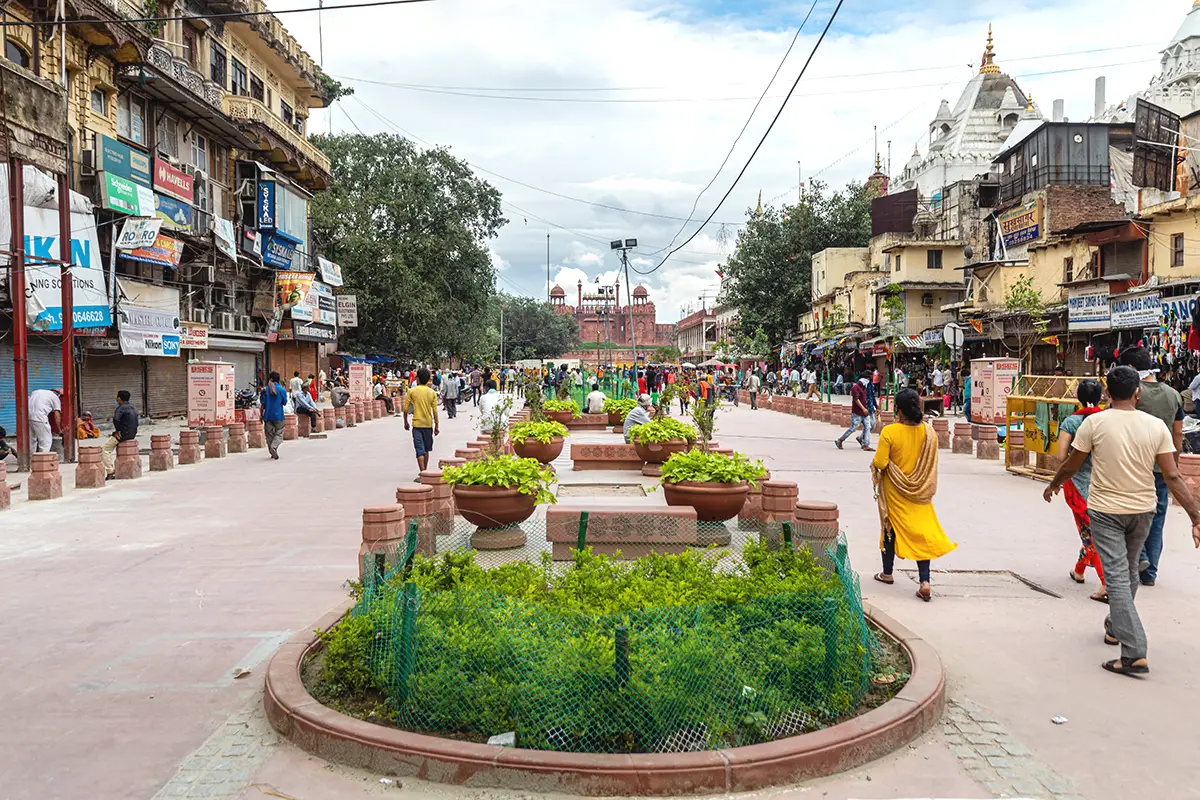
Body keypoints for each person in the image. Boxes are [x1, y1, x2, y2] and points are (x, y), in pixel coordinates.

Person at [1044, 366, 1200, 677]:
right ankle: (1115, 627)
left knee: (1117, 577)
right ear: (1138, 393)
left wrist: (1054, 484)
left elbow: (1071, 464)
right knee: (1127, 572)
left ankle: (1134, 651)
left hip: (1105, 511)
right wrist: (1196, 516)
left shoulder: (1095, 424)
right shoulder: (1156, 427)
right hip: (1143, 511)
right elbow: (1172, 475)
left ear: (1107, 393)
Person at [871, 388, 957, 601]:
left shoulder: (890, 432)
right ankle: (925, 582)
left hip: (895, 491)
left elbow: (880, 463)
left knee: (890, 527)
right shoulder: (929, 432)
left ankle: (887, 573)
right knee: (922, 533)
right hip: (920, 492)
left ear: (897, 409)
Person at [1118, 346, 1182, 587]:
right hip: (1162, 467)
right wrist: (1172, 466)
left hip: (1134, 466)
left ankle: (1140, 558)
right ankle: (1150, 573)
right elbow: (1177, 433)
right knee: (1158, 519)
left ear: (1131, 369)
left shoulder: (1134, 395)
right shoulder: (1173, 394)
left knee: (1129, 514)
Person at [1056, 379, 1107, 602]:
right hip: (1108, 484)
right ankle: (1079, 569)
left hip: (1079, 485)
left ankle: (1107, 583)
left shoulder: (1071, 422)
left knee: (1090, 534)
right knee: (1092, 531)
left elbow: (1061, 457)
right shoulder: (1108, 420)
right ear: (1101, 397)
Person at [403, 367, 440, 472]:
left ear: (417, 378)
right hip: (428, 424)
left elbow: (405, 409)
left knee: (419, 450)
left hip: (417, 425)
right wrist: (437, 425)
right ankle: (425, 471)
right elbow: (435, 411)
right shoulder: (432, 392)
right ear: (428, 379)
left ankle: (422, 472)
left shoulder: (411, 391)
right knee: (426, 449)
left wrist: (405, 422)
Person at [101, 390, 139, 479]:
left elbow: (116, 419)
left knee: (105, 448)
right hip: (132, 434)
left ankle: (110, 471)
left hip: (123, 434)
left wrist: (118, 430)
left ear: (119, 399)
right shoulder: (133, 408)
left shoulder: (121, 408)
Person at [836, 371, 875, 451]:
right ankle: (840, 440)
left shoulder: (864, 387)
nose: (869, 380)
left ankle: (866, 444)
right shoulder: (855, 387)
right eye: (868, 378)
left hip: (865, 412)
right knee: (853, 428)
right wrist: (863, 409)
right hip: (857, 412)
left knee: (868, 427)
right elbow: (856, 399)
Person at [260, 371, 286, 460]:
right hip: (279, 415)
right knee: (279, 433)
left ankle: (272, 450)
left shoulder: (265, 390)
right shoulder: (282, 390)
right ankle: (274, 447)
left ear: (270, 379)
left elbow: (262, 404)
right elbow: (285, 402)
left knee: (269, 435)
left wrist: (261, 415)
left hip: (267, 415)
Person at [28, 388, 62, 453]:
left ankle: (30, 459)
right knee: (46, 440)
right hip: (40, 417)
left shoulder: (36, 391)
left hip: (28, 416)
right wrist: (59, 429)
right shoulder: (55, 397)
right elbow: (57, 414)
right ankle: (43, 459)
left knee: (31, 440)